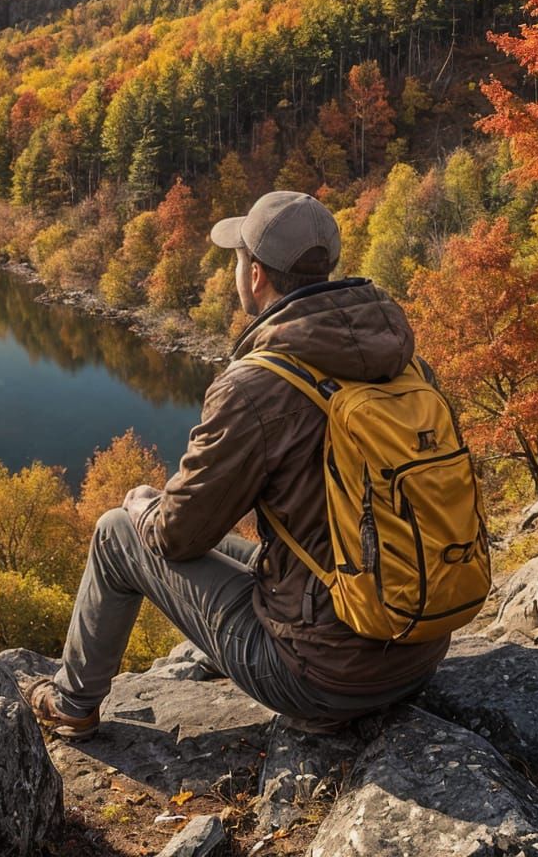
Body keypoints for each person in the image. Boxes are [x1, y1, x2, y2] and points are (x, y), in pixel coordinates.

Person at [23, 191, 451, 738]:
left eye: (238, 258)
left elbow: (179, 537)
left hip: (324, 677)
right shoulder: (406, 362)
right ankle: (217, 652)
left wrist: (145, 507)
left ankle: (70, 705)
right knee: (245, 552)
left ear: (255, 277)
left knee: (117, 533)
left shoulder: (258, 386)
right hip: (417, 644)